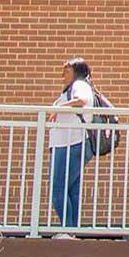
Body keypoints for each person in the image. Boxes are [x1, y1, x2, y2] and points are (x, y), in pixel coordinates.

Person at [48, 57, 98, 239]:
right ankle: (71, 231)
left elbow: (82, 100)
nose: (62, 76)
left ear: (77, 72)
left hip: (71, 143)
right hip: (68, 143)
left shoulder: (79, 85)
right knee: (70, 189)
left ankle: (67, 230)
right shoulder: (73, 86)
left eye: (66, 72)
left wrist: (58, 108)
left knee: (58, 188)